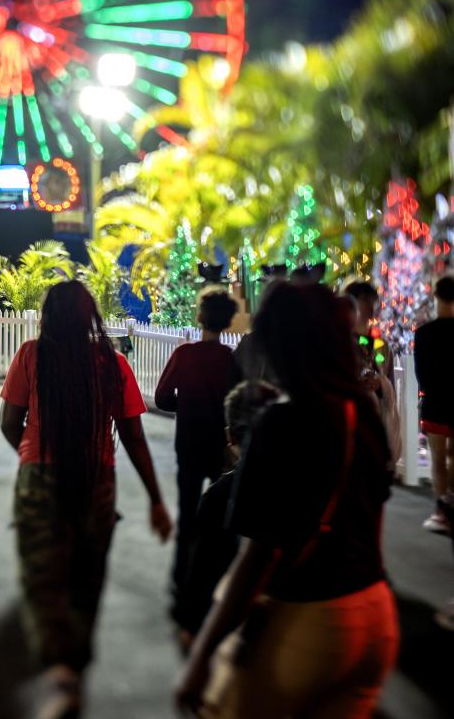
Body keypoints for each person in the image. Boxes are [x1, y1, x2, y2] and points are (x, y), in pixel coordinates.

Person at [177, 284, 398, 719]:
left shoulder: (284, 422)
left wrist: (203, 653)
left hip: (314, 619)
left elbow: (258, 557)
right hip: (375, 614)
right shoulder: (360, 412)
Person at [0, 280, 172, 717]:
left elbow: (9, 421)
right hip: (98, 479)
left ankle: (58, 673)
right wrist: (155, 498)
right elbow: (133, 437)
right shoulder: (111, 363)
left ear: (48, 316)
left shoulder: (31, 355)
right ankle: (72, 671)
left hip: (39, 476)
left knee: (43, 578)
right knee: (86, 575)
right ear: (89, 316)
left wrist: (32, 455)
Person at [174, 379, 280, 643]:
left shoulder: (222, 494)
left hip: (237, 624)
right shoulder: (298, 484)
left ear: (230, 435)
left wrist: (191, 624)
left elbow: (203, 569)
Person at [155, 290, 240, 614]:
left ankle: (181, 579)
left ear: (200, 318)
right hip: (219, 448)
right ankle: (213, 582)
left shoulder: (184, 355)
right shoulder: (230, 359)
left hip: (188, 444)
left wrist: (185, 406)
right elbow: (236, 404)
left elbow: (162, 398)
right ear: (228, 320)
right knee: (219, 516)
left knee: (187, 512)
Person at [344, 280, 402, 466]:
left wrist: (381, 383)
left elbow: (389, 382)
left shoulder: (382, 346)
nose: (370, 305)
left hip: (376, 424)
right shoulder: (340, 342)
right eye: (364, 299)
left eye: (372, 299)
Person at [414, 276, 454, 534]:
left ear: (436, 296)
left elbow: (421, 374)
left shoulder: (424, 333)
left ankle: (442, 507)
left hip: (436, 402)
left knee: (438, 459)